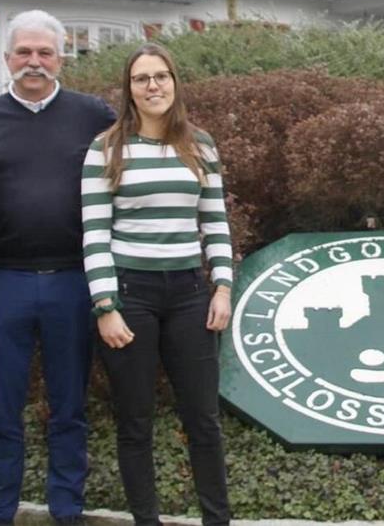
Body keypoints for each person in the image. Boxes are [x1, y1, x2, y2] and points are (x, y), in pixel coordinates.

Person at [0, 10, 114, 526]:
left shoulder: (94, 115)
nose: (34, 62)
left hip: (72, 281)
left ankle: (66, 510)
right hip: (0, 281)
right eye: (24, 53)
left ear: (60, 58)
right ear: (7, 59)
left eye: (44, 53)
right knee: (2, 409)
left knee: (69, 408)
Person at [82, 43, 233, 526]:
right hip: (131, 296)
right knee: (135, 423)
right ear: (128, 90)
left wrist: (223, 288)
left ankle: (217, 520)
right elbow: (94, 233)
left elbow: (215, 222)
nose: (153, 86)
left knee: (203, 421)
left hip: (190, 293)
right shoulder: (106, 149)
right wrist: (106, 304)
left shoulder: (201, 145)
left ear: (174, 82)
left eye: (161, 76)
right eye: (142, 78)